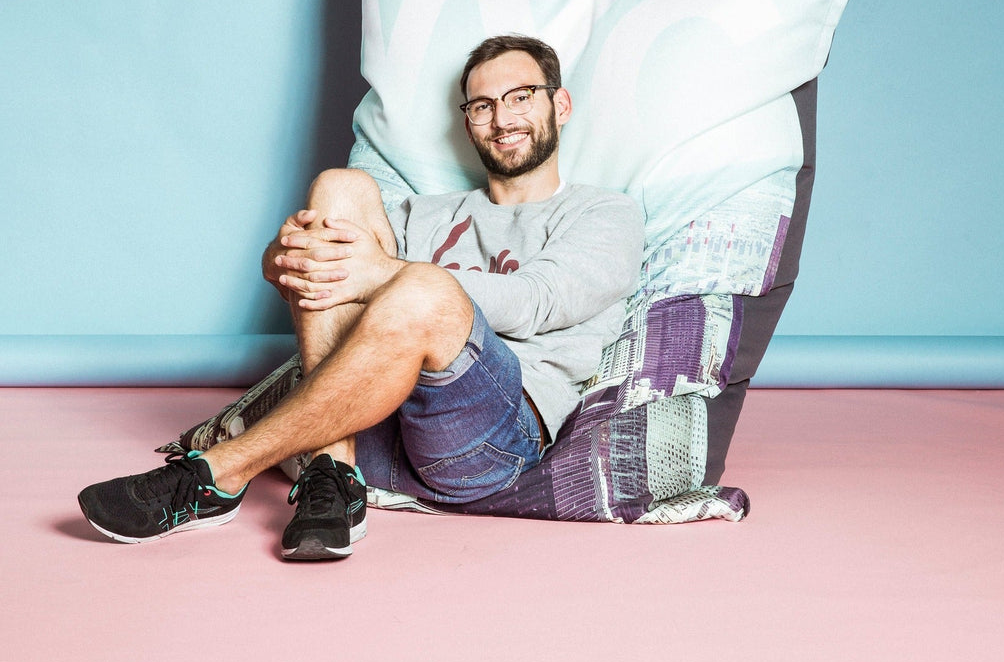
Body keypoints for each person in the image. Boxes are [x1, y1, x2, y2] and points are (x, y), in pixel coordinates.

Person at [78, 35, 645, 561]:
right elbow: (329, 276)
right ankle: (333, 477)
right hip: (379, 427)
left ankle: (218, 475)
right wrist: (286, 259)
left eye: (521, 97)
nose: (502, 119)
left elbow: (534, 302)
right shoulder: (429, 214)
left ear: (560, 105)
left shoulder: (604, 212)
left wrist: (383, 274)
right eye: (482, 105)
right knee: (340, 188)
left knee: (423, 287)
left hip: (492, 442)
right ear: (469, 122)